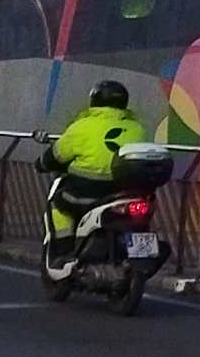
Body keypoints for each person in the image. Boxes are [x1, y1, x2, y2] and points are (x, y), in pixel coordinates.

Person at [45, 80, 145, 240]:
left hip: (85, 195)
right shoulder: (137, 129)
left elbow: (57, 155)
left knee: (57, 205)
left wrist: (42, 163)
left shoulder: (81, 126)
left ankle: (64, 247)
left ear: (95, 100)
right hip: (124, 194)